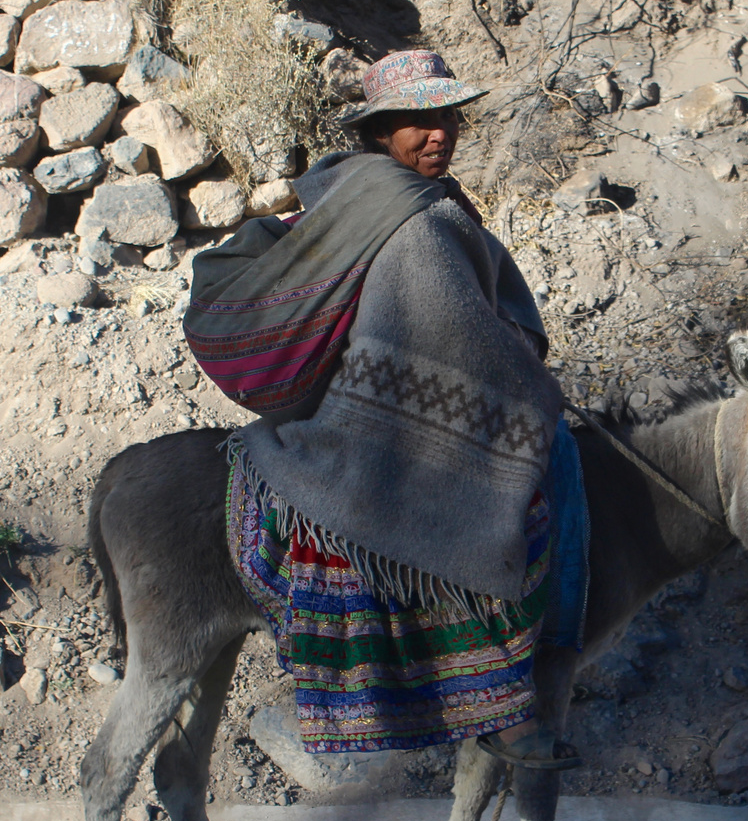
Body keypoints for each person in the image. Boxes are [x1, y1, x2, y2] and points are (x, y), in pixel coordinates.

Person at [186, 50, 584, 770]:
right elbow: (453, 333)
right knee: (529, 486)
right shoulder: (418, 215)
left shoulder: (350, 190)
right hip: (376, 408)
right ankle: (512, 690)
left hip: (349, 388)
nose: (437, 134)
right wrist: (527, 384)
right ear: (380, 131)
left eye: (444, 117)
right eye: (415, 121)